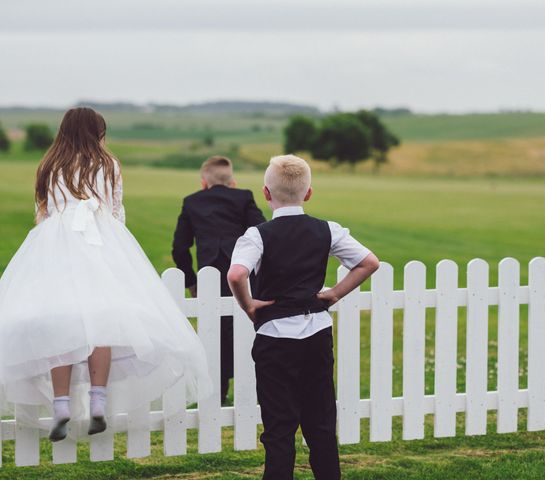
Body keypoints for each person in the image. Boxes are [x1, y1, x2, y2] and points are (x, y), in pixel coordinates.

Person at [0, 107, 212, 442]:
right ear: (97, 132)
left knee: (59, 325)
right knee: (105, 322)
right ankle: (98, 401)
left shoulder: (49, 165)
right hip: (101, 243)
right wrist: (115, 249)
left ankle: (61, 406)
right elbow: (116, 211)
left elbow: (41, 214)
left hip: (58, 248)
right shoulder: (108, 163)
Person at [227, 154, 380, 480]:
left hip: (275, 339)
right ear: (308, 193)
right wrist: (335, 293)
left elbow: (237, 274)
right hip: (317, 336)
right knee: (321, 424)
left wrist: (249, 306)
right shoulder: (328, 230)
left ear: (266, 194)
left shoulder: (258, 235)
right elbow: (369, 262)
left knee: (279, 429)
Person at [172, 156, 265, 404]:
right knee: (250, 329)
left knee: (216, 334)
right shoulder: (244, 197)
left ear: (204, 182)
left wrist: (191, 282)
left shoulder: (192, 202)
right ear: (232, 182)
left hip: (209, 275)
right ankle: (255, 388)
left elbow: (179, 248)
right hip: (243, 274)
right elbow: (263, 232)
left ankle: (220, 391)